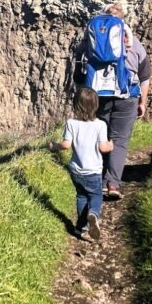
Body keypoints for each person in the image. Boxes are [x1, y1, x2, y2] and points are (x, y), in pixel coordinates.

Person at [90, 3, 151, 200]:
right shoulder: (134, 42)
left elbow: (79, 67)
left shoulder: (93, 39)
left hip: (99, 96)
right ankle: (113, 183)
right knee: (120, 140)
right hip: (128, 96)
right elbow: (145, 77)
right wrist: (143, 101)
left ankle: (98, 182)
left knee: (101, 137)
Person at [48, 87, 114, 240]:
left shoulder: (71, 123)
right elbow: (103, 148)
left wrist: (53, 147)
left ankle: (81, 228)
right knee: (96, 195)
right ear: (96, 105)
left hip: (76, 170)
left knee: (82, 196)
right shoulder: (100, 125)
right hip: (93, 171)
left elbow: (65, 145)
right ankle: (94, 214)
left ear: (76, 105)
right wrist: (111, 145)